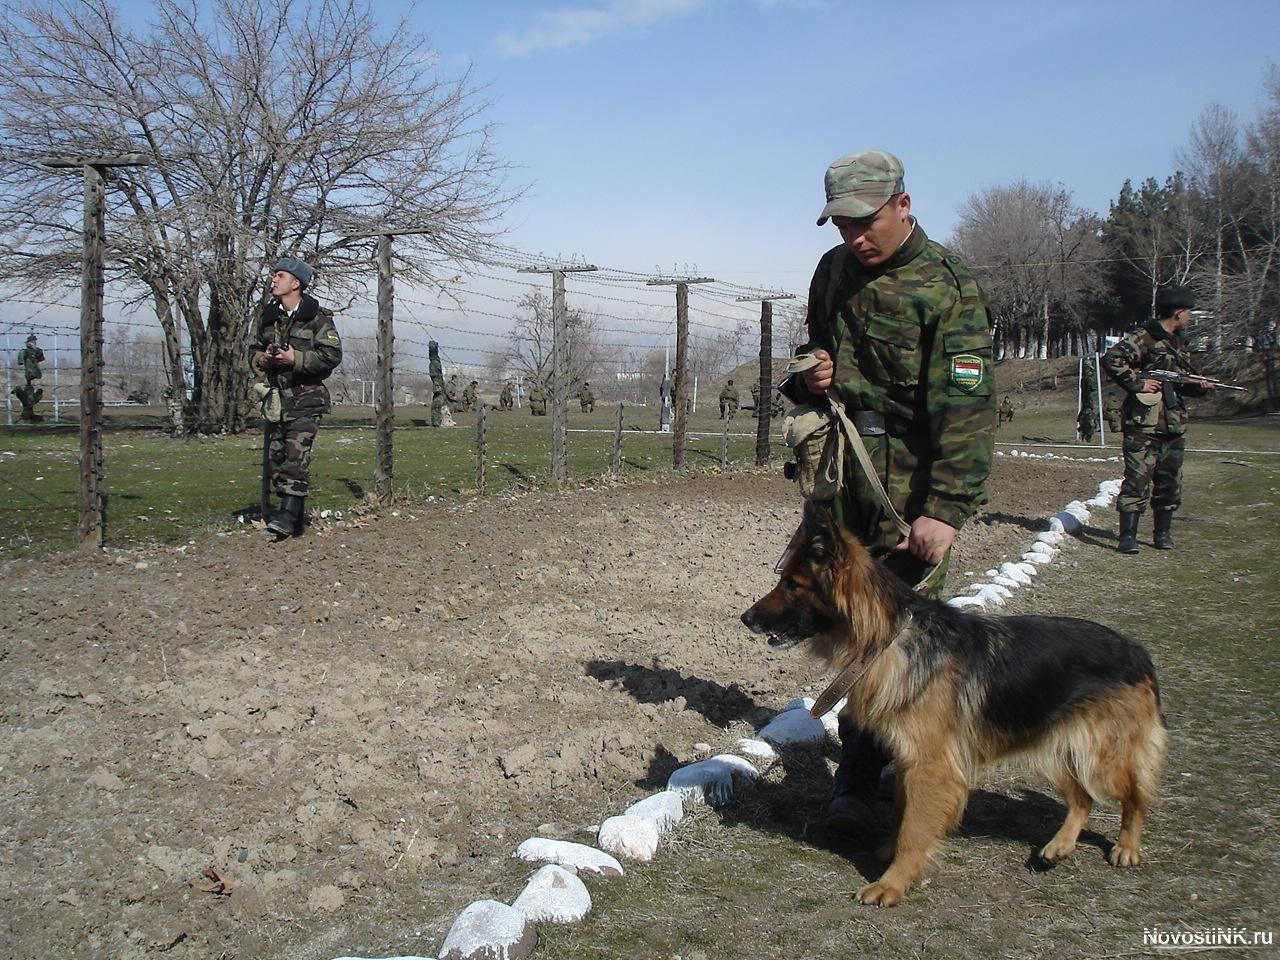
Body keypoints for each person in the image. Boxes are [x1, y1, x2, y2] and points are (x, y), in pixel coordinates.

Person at [789, 149, 995, 837]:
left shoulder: (947, 287)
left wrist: (946, 509)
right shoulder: (833, 272)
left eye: (866, 221)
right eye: (841, 225)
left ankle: (865, 777)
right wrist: (810, 375)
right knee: (846, 626)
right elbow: (811, 353)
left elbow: (967, 410)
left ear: (903, 205)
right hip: (842, 481)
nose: (855, 238)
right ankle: (862, 773)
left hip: (909, 496)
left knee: (893, 639)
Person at [1101, 283, 1214, 553]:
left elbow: (1178, 382)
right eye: (1189, 313)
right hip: (1144, 423)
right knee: (1136, 480)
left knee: (1169, 481)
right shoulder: (1145, 337)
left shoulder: (1179, 342)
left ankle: (1162, 533)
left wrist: (1199, 386)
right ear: (1178, 312)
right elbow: (1113, 358)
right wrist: (1138, 383)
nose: (1190, 319)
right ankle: (1127, 535)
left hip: (1173, 424)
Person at [251, 257, 342, 540]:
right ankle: (295, 521)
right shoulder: (268, 317)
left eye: (280, 276)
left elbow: (331, 356)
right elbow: (252, 352)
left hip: (306, 397)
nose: (274, 280)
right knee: (277, 458)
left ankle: (287, 517)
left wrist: (296, 358)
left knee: (295, 458)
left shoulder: (318, 318)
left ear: (296, 283)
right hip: (277, 398)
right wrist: (263, 358)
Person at [428, 341, 445, 427]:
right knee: (437, 403)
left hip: (440, 385)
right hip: (438, 386)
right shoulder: (434, 363)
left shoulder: (436, 362)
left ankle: (438, 420)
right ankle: (436, 421)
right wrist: (437, 385)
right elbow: (433, 375)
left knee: (439, 402)